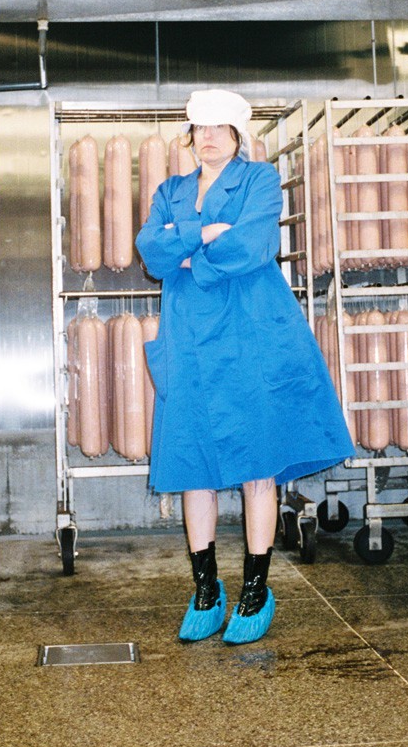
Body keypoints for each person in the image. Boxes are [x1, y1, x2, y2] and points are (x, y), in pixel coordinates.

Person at [135, 89, 355, 646]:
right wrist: (200, 235)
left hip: (249, 332)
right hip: (189, 339)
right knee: (193, 465)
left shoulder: (259, 180)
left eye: (219, 128)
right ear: (190, 136)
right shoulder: (171, 190)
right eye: (200, 128)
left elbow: (252, 248)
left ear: (237, 135)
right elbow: (151, 252)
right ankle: (206, 588)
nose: (208, 137)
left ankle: (256, 586)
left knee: (259, 459)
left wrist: (191, 256)